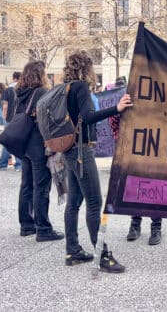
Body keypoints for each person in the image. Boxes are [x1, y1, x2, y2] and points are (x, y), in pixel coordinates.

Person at [62, 51, 132, 273]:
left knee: (73, 202)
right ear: (87, 68)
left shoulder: (66, 87)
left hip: (69, 149)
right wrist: (116, 109)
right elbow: (88, 117)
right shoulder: (81, 87)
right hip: (82, 150)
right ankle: (102, 256)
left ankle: (72, 250)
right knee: (94, 202)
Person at [15, 61, 64, 240]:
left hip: (24, 144)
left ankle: (26, 225)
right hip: (38, 144)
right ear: (40, 75)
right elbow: (47, 121)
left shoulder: (18, 93)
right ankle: (43, 229)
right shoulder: (41, 92)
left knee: (26, 185)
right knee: (41, 186)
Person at [107, 113, 164, 245]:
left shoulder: (157, 98)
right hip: (131, 148)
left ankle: (156, 226)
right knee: (134, 188)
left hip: (153, 146)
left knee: (154, 186)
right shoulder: (127, 97)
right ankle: (135, 223)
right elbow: (113, 123)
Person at [0, 72, 22, 171]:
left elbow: (5, 106)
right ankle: (19, 165)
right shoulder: (22, 89)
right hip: (20, 118)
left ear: (13, 78)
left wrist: (5, 117)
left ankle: (3, 164)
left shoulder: (7, 90)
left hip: (9, 118)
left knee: (7, 141)